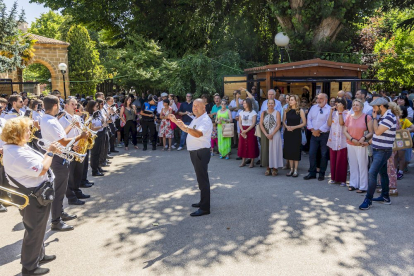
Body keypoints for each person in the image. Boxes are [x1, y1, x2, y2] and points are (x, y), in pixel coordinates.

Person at [2, 117, 59, 276]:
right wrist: (50, 152)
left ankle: (38, 256)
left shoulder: (19, 147)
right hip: (32, 197)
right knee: (34, 231)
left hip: (37, 193)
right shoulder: (16, 153)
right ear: (17, 134)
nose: (30, 132)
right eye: (26, 130)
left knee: (39, 228)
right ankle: (29, 268)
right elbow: (41, 169)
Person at [40, 95, 87, 231]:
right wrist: (80, 136)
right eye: (59, 104)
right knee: (59, 191)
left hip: (60, 155)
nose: (60, 107)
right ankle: (56, 221)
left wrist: (72, 146)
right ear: (55, 106)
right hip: (58, 158)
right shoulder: (51, 121)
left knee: (60, 189)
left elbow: (62, 138)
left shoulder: (47, 119)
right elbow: (63, 141)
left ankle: (60, 213)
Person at [169, 99, 212, 217]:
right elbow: (187, 129)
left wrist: (186, 128)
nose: (195, 108)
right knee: (200, 179)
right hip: (195, 152)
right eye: (194, 106)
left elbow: (198, 134)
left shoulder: (205, 120)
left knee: (203, 180)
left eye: (198, 106)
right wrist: (176, 122)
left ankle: (205, 208)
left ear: (204, 108)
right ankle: (203, 202)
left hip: (201, 152)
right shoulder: (197, 119)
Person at [359, 97, 397, 210]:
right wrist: (369, 142)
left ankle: (368, 200)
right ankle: (385, 197)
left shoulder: (389, 117)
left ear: (381, 107)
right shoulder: (384, 117)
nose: (373, 110)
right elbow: (378, 135)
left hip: (383, 151)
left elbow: (377, 131)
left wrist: (374, 118)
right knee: (383, 173)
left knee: (372, 173)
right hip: (378, 149)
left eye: (375, 107)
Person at [58, 98, 90, 205]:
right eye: (72, 104)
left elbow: (81, 131)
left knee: (78, 173)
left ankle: (77, 191)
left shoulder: (77, 117)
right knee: (70, 176)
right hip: (69, 149)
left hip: (79, 148)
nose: (75, 106)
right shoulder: (62, 119)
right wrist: (71, 147)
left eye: (76, 104)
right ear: (66, 106)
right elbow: (61, 137)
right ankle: (71, 197)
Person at [344, 99, 372, 192]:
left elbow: (371, 132)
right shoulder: (349, 117)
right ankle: (353, 184)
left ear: (362, 107)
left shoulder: (367, 117)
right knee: (352, 164)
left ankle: (363, 186)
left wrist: (363, 138)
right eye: (353, 105)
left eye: (357, 105)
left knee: (362, 165)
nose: (355, 107)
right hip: (350, 143)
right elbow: (345, 130)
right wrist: (352, 139)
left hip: (362, 144)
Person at [304, 93, 331, 181]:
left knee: (323, 154)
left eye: (321, 98)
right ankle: (312, 173)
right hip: (313, 134)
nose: (318, 100)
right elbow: (309, 119)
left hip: (324, 134)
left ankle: (322, 174)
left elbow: (328, 123)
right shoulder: (313, 107)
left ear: (326, 100)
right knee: (312, 153)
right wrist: (312, 130)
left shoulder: (329, 109)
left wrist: (318, 131)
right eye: (318, 98)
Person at [327, 98, 351, 186]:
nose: (336, 105)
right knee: (333, 159)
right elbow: (329, 124)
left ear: (343, 105)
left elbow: (342, 123)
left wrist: (340, 112)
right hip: (333, 139)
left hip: (342, 140)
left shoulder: (347, 113)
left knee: (342, 160)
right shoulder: (334, 113)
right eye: (335, 104)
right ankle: (333, 177)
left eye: (338, 104)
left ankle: (342, 180)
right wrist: (330, 112)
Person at [283, 95, 307, 177]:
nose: (290, 101)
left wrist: (294, 127)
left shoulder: (300, 111)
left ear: (296, 101)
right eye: (289, 100)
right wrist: (286, 127)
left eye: (292, 100)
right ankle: (291, 169)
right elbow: (283, 121)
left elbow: (304, 123)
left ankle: (296, 170)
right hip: (288, 132)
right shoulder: (286, 110)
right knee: (289, 150)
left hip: (296, 132)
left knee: (296, 151)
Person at [259, 99, 283, 176]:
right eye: (269, 103)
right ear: (267, 104)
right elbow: (261, 124)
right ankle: (268, 168)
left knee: (274, 150)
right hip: (265, 134)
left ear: (275, 104)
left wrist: (272, 134)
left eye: (272, 103)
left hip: (275, 134)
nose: (270, 105)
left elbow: (279, 125)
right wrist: (266, 134)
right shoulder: (263, 113)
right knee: (267, 151)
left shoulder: (277, 113)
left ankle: (275, 168)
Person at [238, 98, 259, 168]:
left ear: (248, 104)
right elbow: (240, 122)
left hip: (250, 130)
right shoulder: (241, 112)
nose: (243, 104)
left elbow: (253, 123)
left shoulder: (253, 113)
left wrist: (246, 131)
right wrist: (242, 130)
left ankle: (252, 161)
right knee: (243, 145)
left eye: (245, 103)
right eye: (243, 103)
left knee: (251, 145)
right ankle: (243, 160)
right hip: (243, 130)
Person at [87, 100, 106, 177]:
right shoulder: (89, 116)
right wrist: (102, 126)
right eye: (96, 106)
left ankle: (98, 167)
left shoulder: (97, 114)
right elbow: (92, 128)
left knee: (99, 152)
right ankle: (94, 170)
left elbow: (102, 121)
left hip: (100, 133)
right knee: (94, 153)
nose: (98, 107)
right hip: (94, 135)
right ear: (92, 107)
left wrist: (103, 120)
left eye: (98, 106)